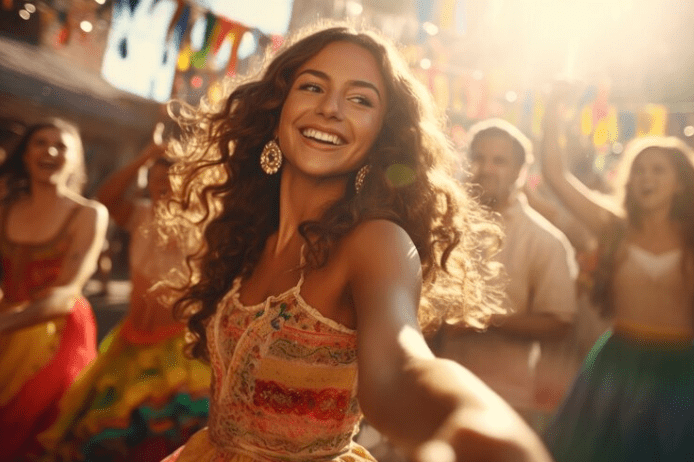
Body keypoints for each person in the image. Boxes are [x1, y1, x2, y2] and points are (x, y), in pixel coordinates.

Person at [157, 24, 553, 462]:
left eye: (360, 99)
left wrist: (463, 416)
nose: (330, 109)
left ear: (382, 135)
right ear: (277, 106)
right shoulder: (251, 235)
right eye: (312, 87)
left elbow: (401, 370)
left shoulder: (376, 242)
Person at [540, 84, 694, 461]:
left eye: (659, 170)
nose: (647, 178)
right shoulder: (613, 227)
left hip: (681, 368)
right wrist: (553, 114)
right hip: (617, 364)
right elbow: (556, 176)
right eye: (639, 170)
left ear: (680, 183)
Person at [39, 131, 211, 462]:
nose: (163, 182)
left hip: (177, 353)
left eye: (173, 174)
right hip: (129, 343)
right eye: (156, 175)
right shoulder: (141, 214)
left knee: (157, 440)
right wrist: (145, 155)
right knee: (105, 437)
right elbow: (103, 199)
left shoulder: (205, 225)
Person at [435, 118, 579, 428]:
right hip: (438, 385)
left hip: (506, 396)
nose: (486, 168)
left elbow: (559, 324)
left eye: (499, 161)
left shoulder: (544, 240)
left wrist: (484, 321)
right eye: (478, 158)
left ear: (519, 171)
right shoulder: (444, 225)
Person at [0, 119, 108, 461]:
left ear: (77, 158)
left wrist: (3, 324)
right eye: (40, 142)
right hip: (6, 325)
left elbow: (66, 293)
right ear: (25, 155)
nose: (49, 151)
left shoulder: (89, 213)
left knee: (28, 436)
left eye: (61, 145)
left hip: (57, 335)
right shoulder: (4, 209)